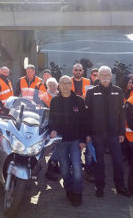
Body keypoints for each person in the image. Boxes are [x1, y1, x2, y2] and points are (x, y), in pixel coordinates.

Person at [85, 66, 132, 197]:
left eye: (107, 75)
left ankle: (120, 187)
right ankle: (99, 187)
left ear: (111, 76)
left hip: (113, 134)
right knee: (98, 162)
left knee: (118, 161)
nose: (105, 77)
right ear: (98, 77)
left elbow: (122, 114)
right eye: (102, 75)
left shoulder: (118, 91)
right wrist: (87, 134)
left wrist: (122, 132)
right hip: (97, 133)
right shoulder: (92, 92)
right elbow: (87, 115)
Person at [49, 76, 88, 206]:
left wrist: (83, 140)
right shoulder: (54, 101)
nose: (65, 86)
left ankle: (77, 193)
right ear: (59, 85)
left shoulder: (79, 101)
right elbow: (52, 119)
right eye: (62, 83)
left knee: (77, 167)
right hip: (61, 141)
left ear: (71, 85)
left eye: (67, 83)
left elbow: (84, 122)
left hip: (76, 141)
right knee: (64, 169)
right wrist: (53, 130)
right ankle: (69, 189)